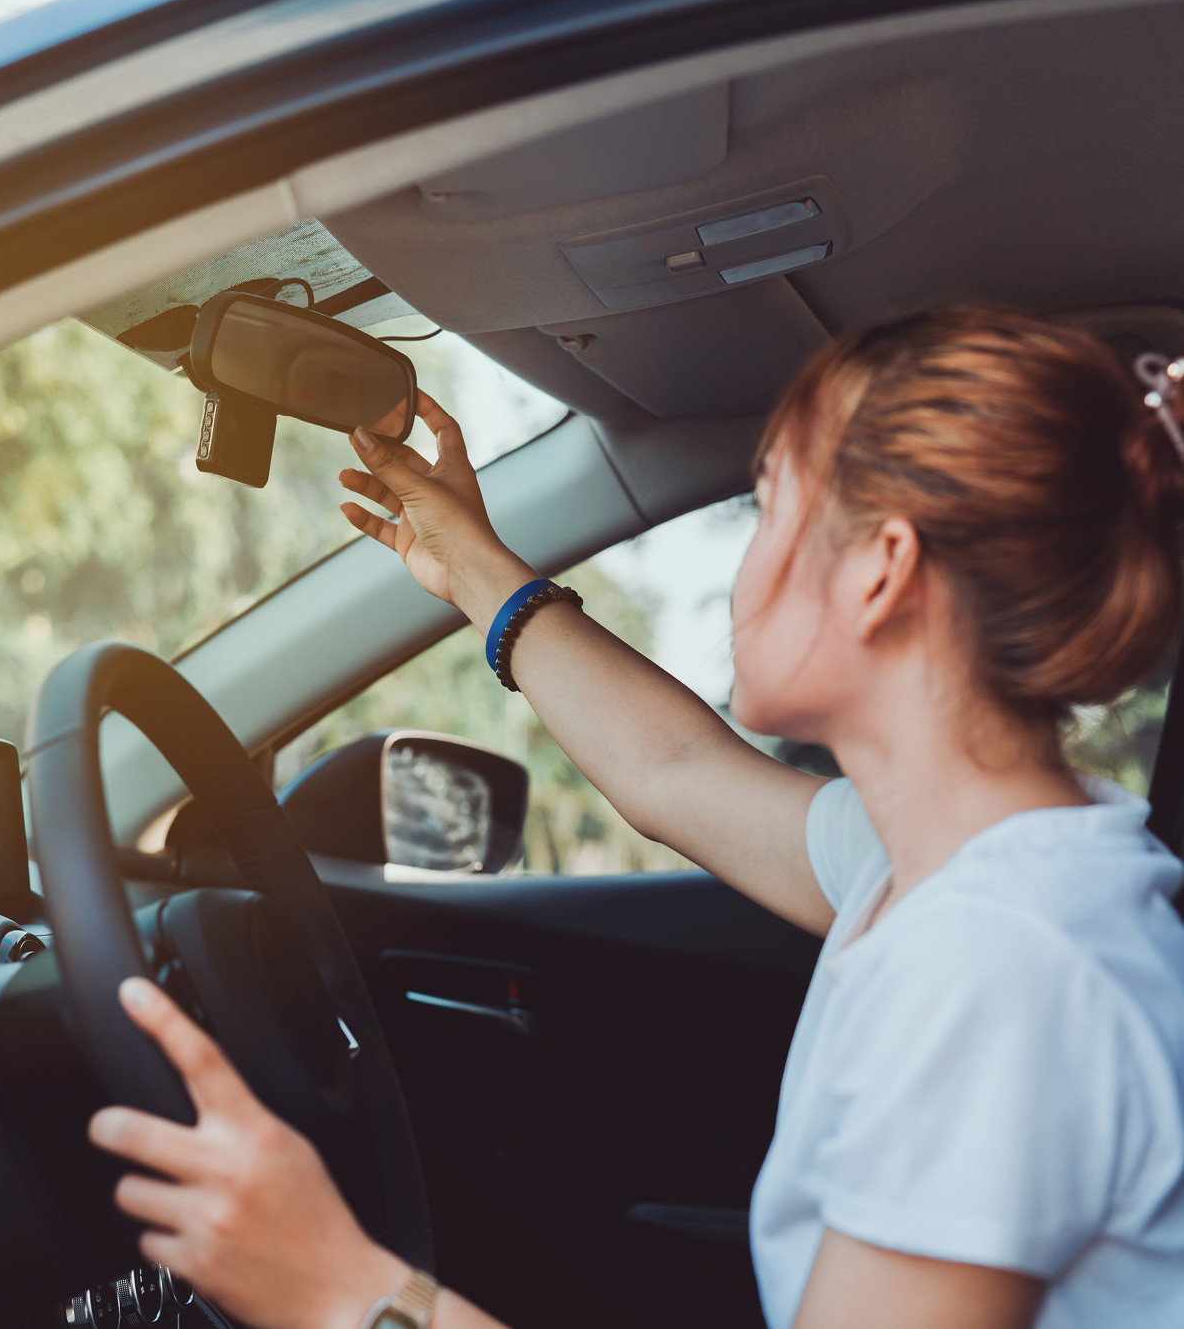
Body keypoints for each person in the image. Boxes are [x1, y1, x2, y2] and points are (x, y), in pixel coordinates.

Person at [89, 304, 1184, 1329]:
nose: (742, 575)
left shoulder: (1004, 971)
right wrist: (470, 561)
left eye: (773, 507)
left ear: (880, 572)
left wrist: (346, 1289)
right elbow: (672, 772)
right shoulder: (959, 863)